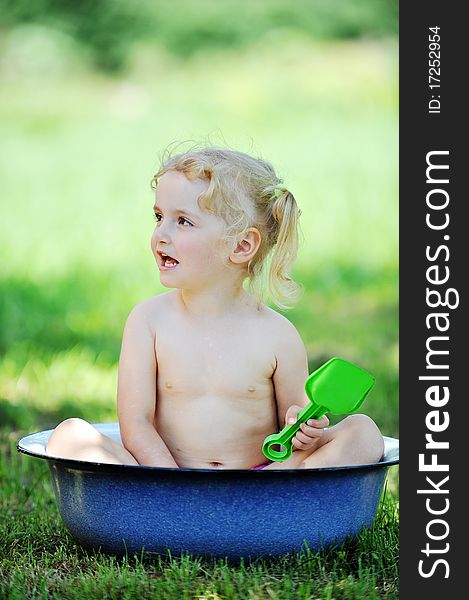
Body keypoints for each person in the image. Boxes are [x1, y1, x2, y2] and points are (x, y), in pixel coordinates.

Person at [46, 146, 384, 469]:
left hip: (259, 482)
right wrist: (169, 481)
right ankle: (193, 510)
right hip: (164, 477)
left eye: (183, 222)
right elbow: (135, 423)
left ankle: (265, 503)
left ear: (242, 245)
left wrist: (306, 431)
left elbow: (293, 429)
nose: (161, 234)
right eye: (159, 216)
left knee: (363, 432)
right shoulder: (149, 321)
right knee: (69, 435)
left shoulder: (278, 335)